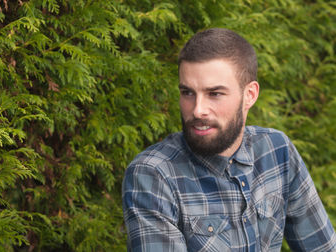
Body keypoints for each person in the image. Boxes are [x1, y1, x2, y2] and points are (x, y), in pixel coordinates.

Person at [122, 28, 336, 252]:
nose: (198, 110)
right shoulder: (154, 175)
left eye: (214, 94)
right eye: (187, 93)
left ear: (250, 95)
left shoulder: (276, 151)